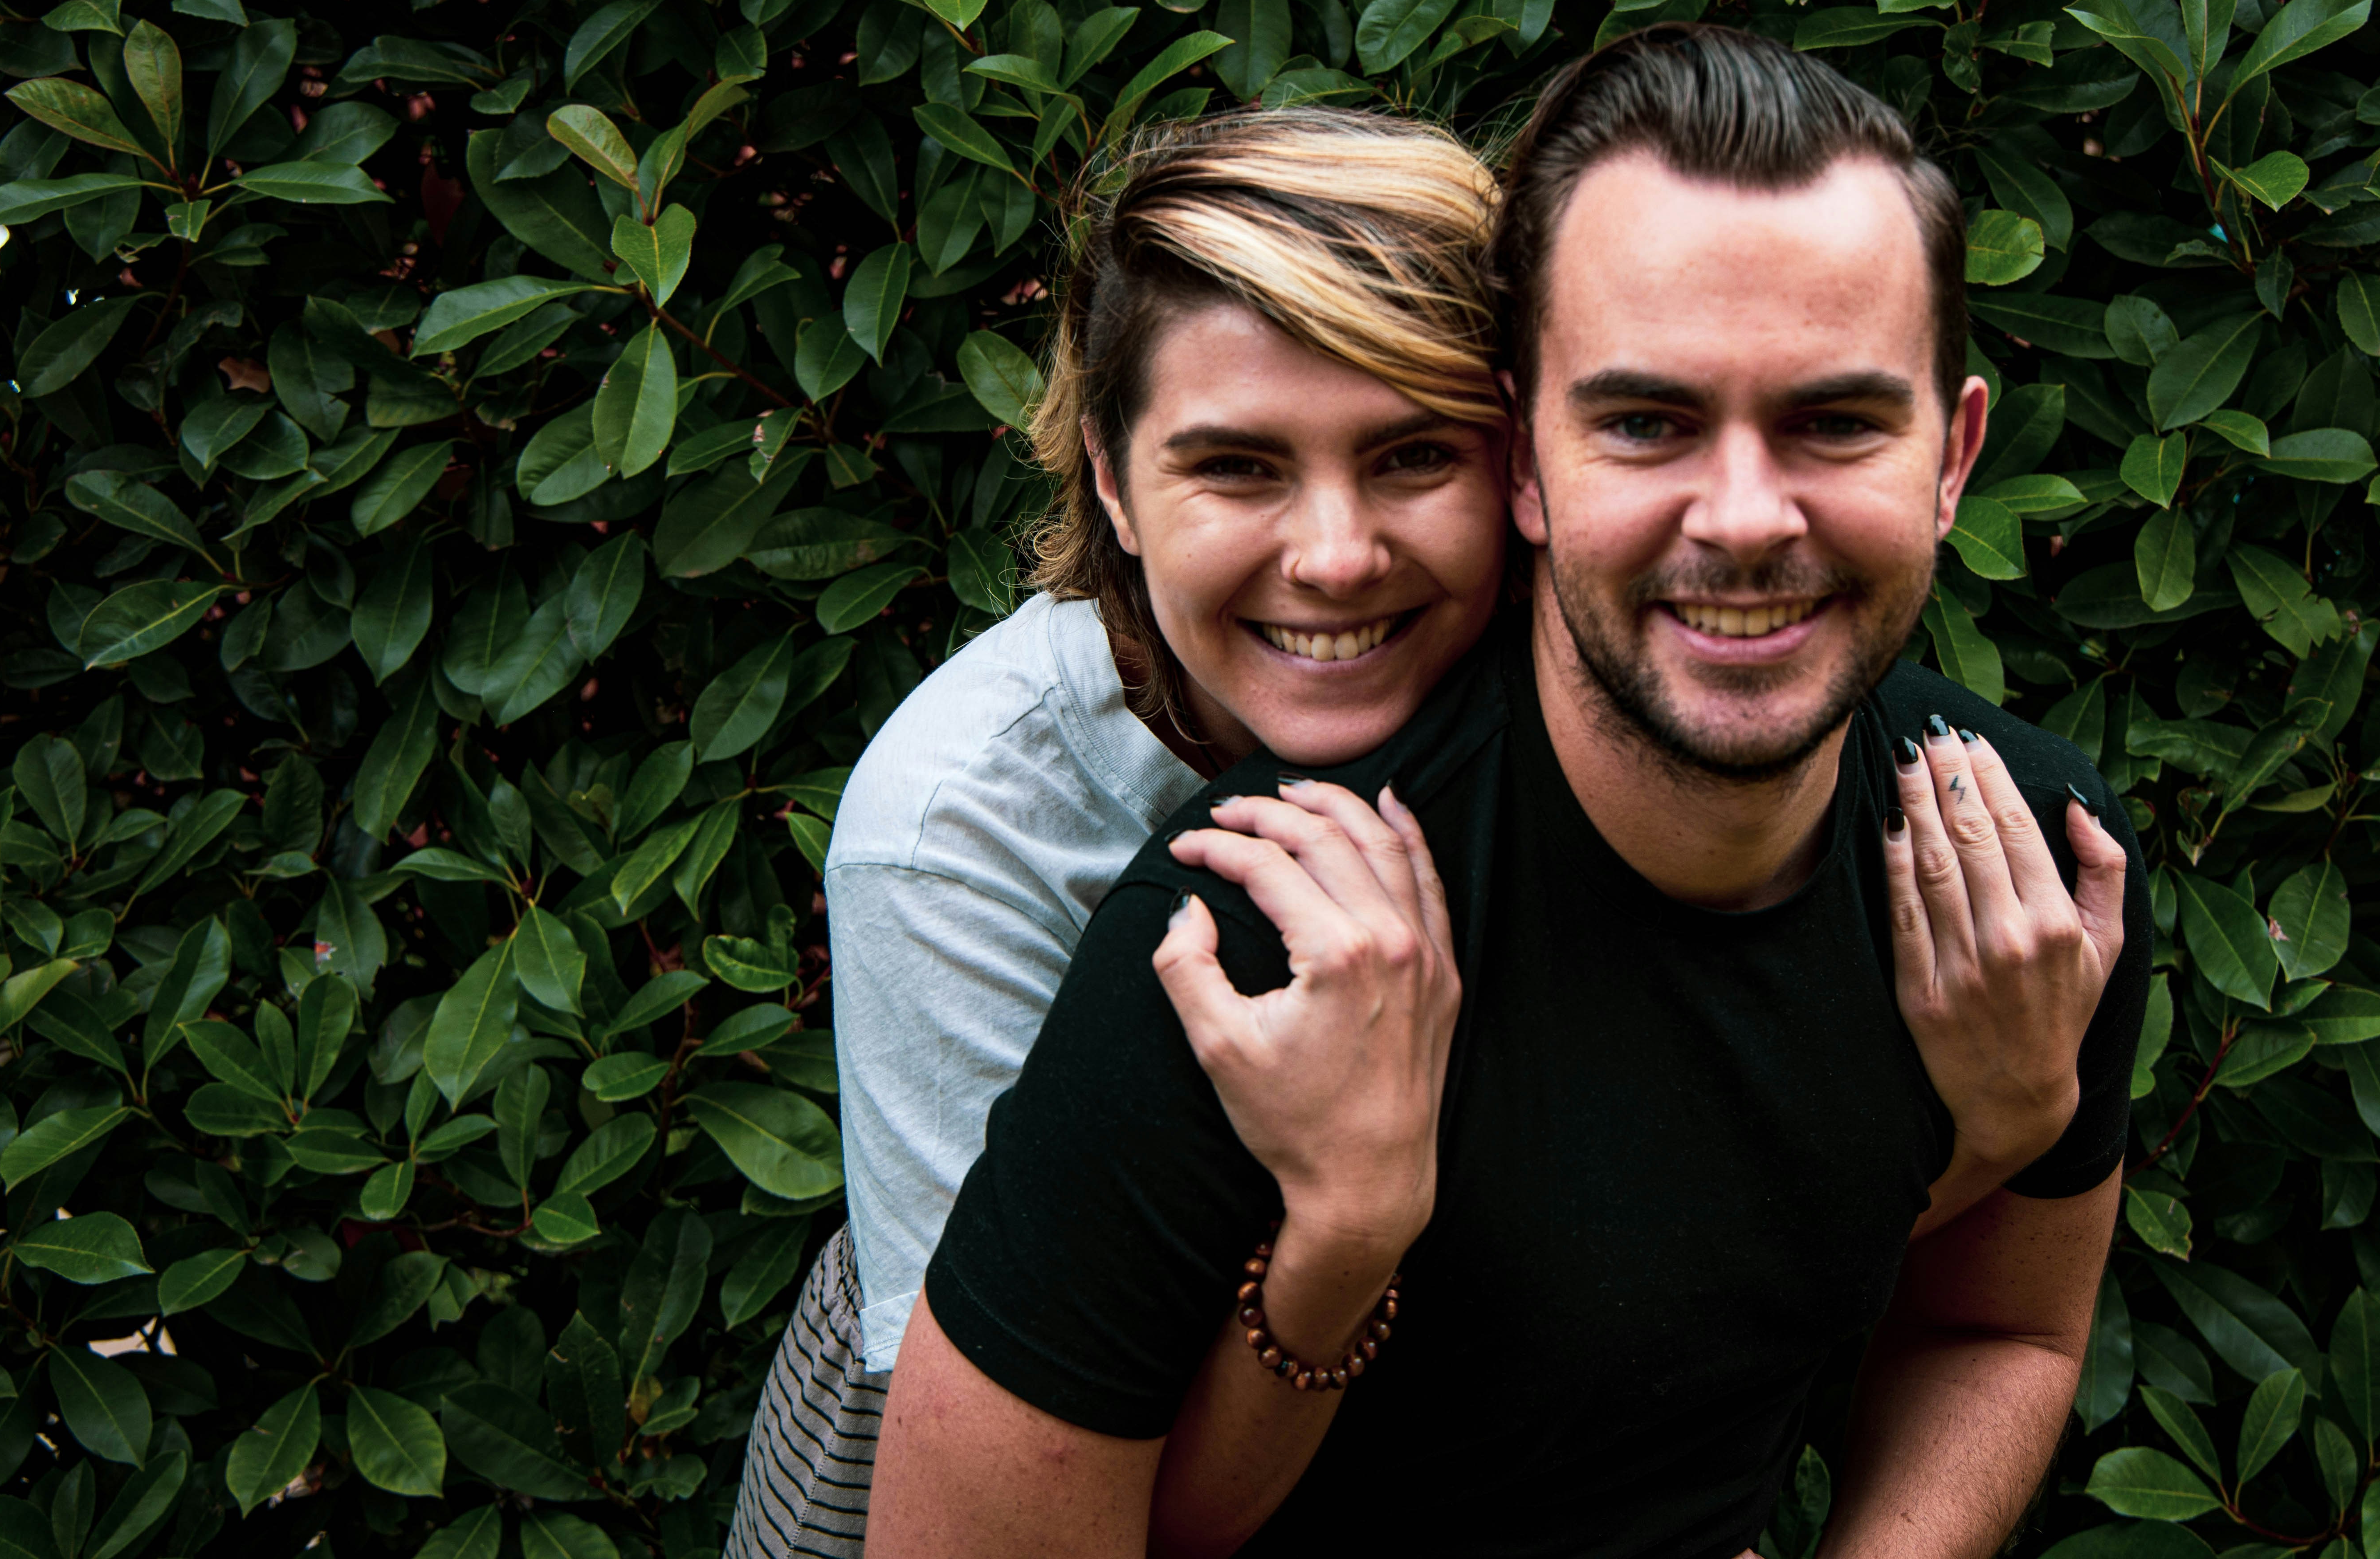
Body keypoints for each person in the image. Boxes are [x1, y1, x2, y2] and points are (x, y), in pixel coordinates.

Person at [725, 104, 2125, 1558]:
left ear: (1524, 464)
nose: (1336, 560)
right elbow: (1068, 1454)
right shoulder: (961, 826)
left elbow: (1652, 1252)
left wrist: (2007, 1130)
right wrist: (1346, 1221)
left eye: (1410, 458)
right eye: (1237, 467)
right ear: (1110, 479)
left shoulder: (1623, 694)